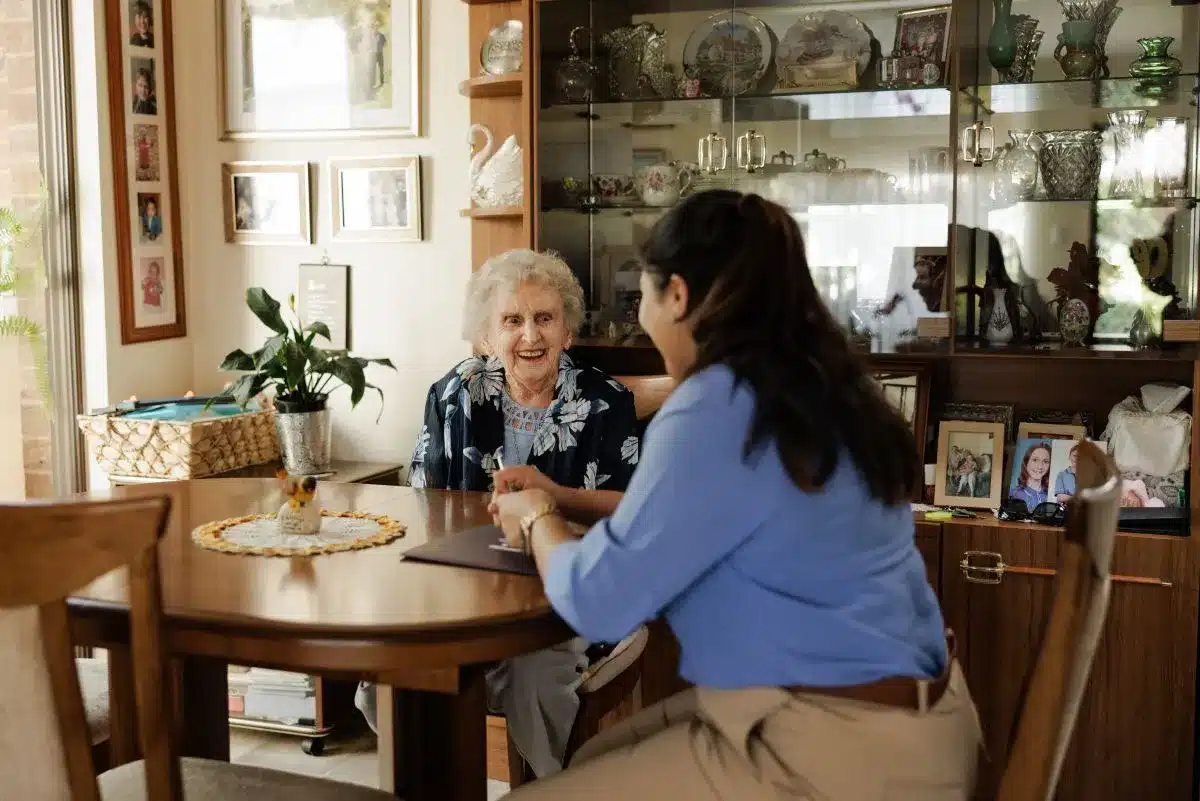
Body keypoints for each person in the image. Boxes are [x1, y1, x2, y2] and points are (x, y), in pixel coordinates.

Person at [489, 190, 980, 799]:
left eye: (640, 295)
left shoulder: (713, 407)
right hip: (919, 716)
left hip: (839, 748)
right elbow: (688, 516)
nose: (639, 313)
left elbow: (595, 601)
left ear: (677, 296)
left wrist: (536, 514)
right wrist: (563, 495)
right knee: (589, 755)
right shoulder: (815, 386)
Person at [355, 249, 640, 778]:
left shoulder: (607, 403)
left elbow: (627, 520)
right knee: (395, 664)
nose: (530, 336)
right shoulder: (452, 395)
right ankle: (432, 782)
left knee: (534, 671)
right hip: (463, 594)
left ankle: (546, 786)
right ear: (487, 336)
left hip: (564, 595)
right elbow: (423, 506)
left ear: (568, 332)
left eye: (545, 319)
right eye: (512, 320)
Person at [347, 5, 387, 105]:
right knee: (366, 73)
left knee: (373, 71)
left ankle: (373, 89)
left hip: (373, 54)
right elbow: (354, 43)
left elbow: (383, 43)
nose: (375, 27)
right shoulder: (359, 32)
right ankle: (367, 92)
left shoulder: (379, 35)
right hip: (364, 56)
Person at [1011, 441, 1052, 511]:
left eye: (1045, 461)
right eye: (1035, 460)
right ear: (1026, 462)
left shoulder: (1052, 496)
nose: (1040, 466)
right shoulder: (1014, 493)